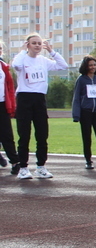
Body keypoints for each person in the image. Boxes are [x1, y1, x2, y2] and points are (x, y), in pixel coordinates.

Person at [12, 33, 68, 179]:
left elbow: (63, 66)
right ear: (28, 44)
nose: (37, 45)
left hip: (39, 98)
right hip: (24, 98)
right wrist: (23, 51)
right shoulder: (22, 58)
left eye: (39, 43)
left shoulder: (44, 60)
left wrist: (51, 51)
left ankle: (41, 167)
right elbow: (16, 65)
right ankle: (23, 168)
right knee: (24, 135)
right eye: (34, 43)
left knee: (42, 134)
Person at [0, 41, 20, 173]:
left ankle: (15, 162)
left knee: (7, 134)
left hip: (1, 104)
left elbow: (9, 87)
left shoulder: (3, 66)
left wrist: (12, 105)